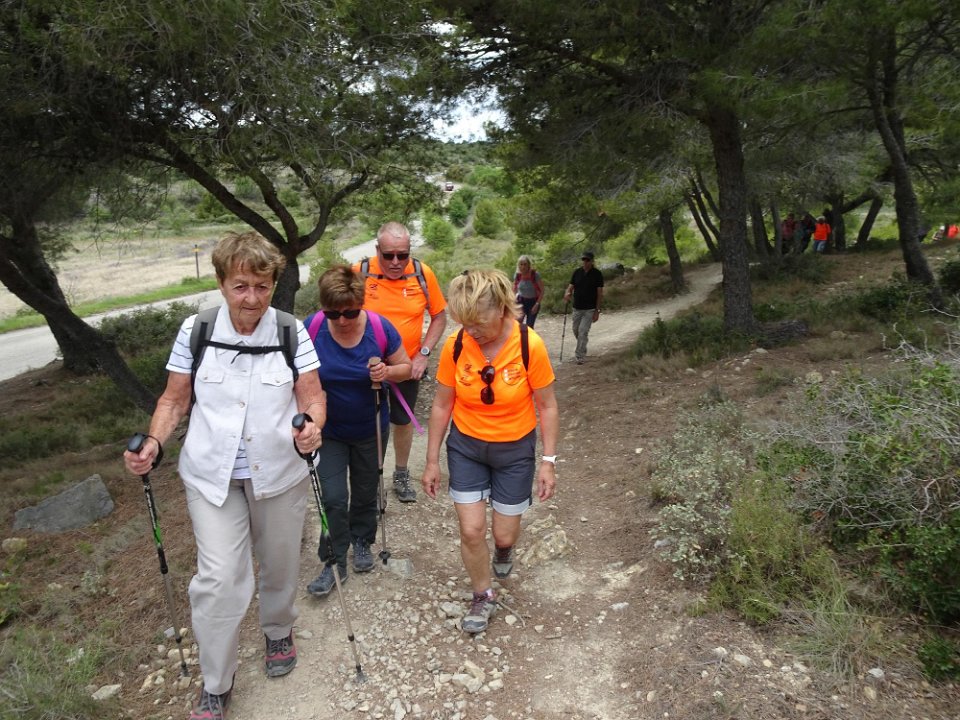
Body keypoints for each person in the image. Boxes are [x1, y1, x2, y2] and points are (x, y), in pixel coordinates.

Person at [123, 231, 326, 720]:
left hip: (279, 472)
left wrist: (313, 428)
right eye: (240, 286)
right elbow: (174, 399)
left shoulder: (290, 331)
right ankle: (216, 681)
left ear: (272, 284)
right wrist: (154, 442)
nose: (251, 298)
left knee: (279, 563)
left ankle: (278, 630)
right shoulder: (196, 330)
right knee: (218, 579)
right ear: (221, 283)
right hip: (211, 477)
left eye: (261, 286)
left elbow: (312, 394)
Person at [421, 269, 558, 634]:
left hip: (514, 450)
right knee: (471, 531)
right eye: (464, 324)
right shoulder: (456, 345)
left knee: (504, 535)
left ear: (501, 309)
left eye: (478, 323)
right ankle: (483, 594)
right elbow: (441, 405)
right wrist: (432, 461)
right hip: (466, 447)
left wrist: (548, 462)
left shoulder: (530, 345)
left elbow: (547, 406)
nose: (471, 332)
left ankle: (503, 549)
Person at [303, 266, 411, 597]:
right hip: (329, 430)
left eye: (350, 312)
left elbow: (406, 368)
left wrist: (387, 371)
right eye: (333, 313)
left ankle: (362, 540)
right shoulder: (312, 328)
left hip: (369, 426)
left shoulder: (379, 328)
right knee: (333, 497)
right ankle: (334, 560)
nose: (342, 320)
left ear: (360, 305)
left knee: (365, 490)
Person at [353, 221, 447, 503]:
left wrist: (424, 354)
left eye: (402, 255)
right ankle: (371, 481)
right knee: (368, 423)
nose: (396, 262)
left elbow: (439, 316)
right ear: (377, 250)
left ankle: (401, 474)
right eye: (389, 255)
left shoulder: (421, 273)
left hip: (406, 366)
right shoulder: (360, 272)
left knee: (402, 420)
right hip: (366, 367)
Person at [562, 251, 604, 365]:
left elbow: (599, 293)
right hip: (577, 308)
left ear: (592, 261)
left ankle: (580, 355)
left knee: (583, 331)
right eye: (583, 260)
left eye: (587, 260)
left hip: (590, 309)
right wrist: (567, 293)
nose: (585, 262)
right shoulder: (577, 272)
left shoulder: (597, 274)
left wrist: (597, 310)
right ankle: (583, 345)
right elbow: (570, 287)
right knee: (576, 330)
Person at [513, 255, 545, 327]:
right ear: (518, 265)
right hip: (521, 301)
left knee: (529, 325)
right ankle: (519, 334)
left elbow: (542, 290)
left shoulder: (535, 275)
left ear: (528, 265)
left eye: (525, 264)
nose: (523, 267)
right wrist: (512, 302)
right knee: (517, 323)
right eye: (521, 264)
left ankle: (528, 334)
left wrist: (537, 304)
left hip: (533, 302)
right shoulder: (517, 275)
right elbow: (514, 289)